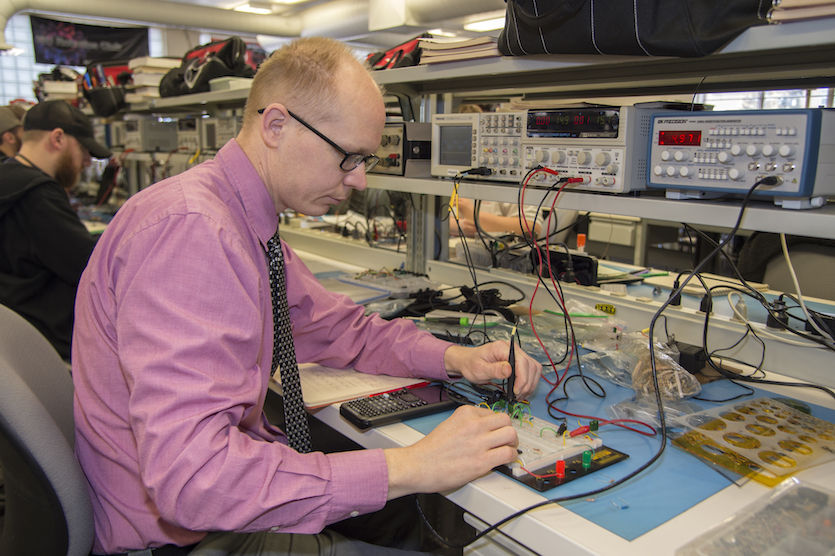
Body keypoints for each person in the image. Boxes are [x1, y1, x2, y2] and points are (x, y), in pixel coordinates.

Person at [72, 37, 542, 556]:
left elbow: (337, 328)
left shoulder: (242, 220)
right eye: (349, 157)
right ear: (276, 126)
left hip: (213, 506)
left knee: (409, 519)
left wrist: (456, 358)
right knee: (434, 520)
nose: (360, 180)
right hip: (185, 539)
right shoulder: (193, 233)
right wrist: (412, 465)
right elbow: (195, 480)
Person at [0, 100, 111, 360]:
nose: (86, 162)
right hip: (54, 349)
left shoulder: (8, 178)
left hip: (18, 340)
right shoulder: (38, 195)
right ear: (58, 138)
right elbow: (90, 267)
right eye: (83, 149)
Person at [451, 197, 578, 244]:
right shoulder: (456, 178)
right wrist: (462, 226)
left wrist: (474, 216)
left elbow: (531, 228)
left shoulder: (514, 185)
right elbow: (439, 218)